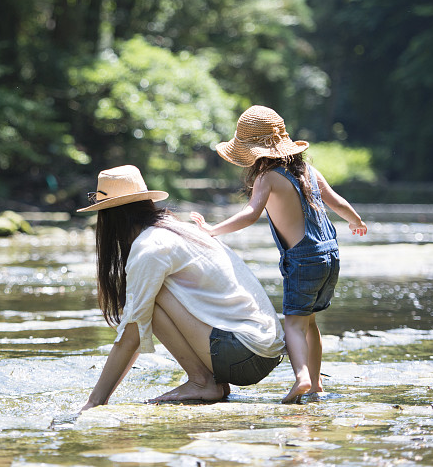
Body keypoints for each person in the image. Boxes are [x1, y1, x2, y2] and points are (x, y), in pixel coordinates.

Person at [190, 105, 368, 404]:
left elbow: (249, 215)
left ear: (252, 153)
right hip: (330, 255)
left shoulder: (267, 178)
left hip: (302, 260)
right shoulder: (308, 170)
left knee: (294, 325)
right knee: (310, 323)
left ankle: (301, 379)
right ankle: (316, 384)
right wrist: (356, 220)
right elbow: (337, 201)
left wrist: (211, 230)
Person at [77, 164, 284, 412]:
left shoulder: (149, 247)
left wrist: (95, 402)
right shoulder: (177, 229)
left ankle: (202, 381)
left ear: (110, 218)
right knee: (147, 300)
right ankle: (208, 380)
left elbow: (133, 330)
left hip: (245, 355)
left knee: (149, 300)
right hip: (261, 350)